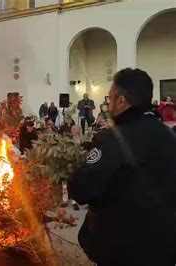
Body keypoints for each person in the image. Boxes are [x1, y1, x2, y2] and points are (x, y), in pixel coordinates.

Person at [68, 68, 176, 265]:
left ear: (121, 101)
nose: (108, 105)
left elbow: (81, 190)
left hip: (122, 252)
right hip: (164, 250)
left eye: (110, 98)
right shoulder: (171, 137)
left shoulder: (111, 140)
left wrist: (78, 171)